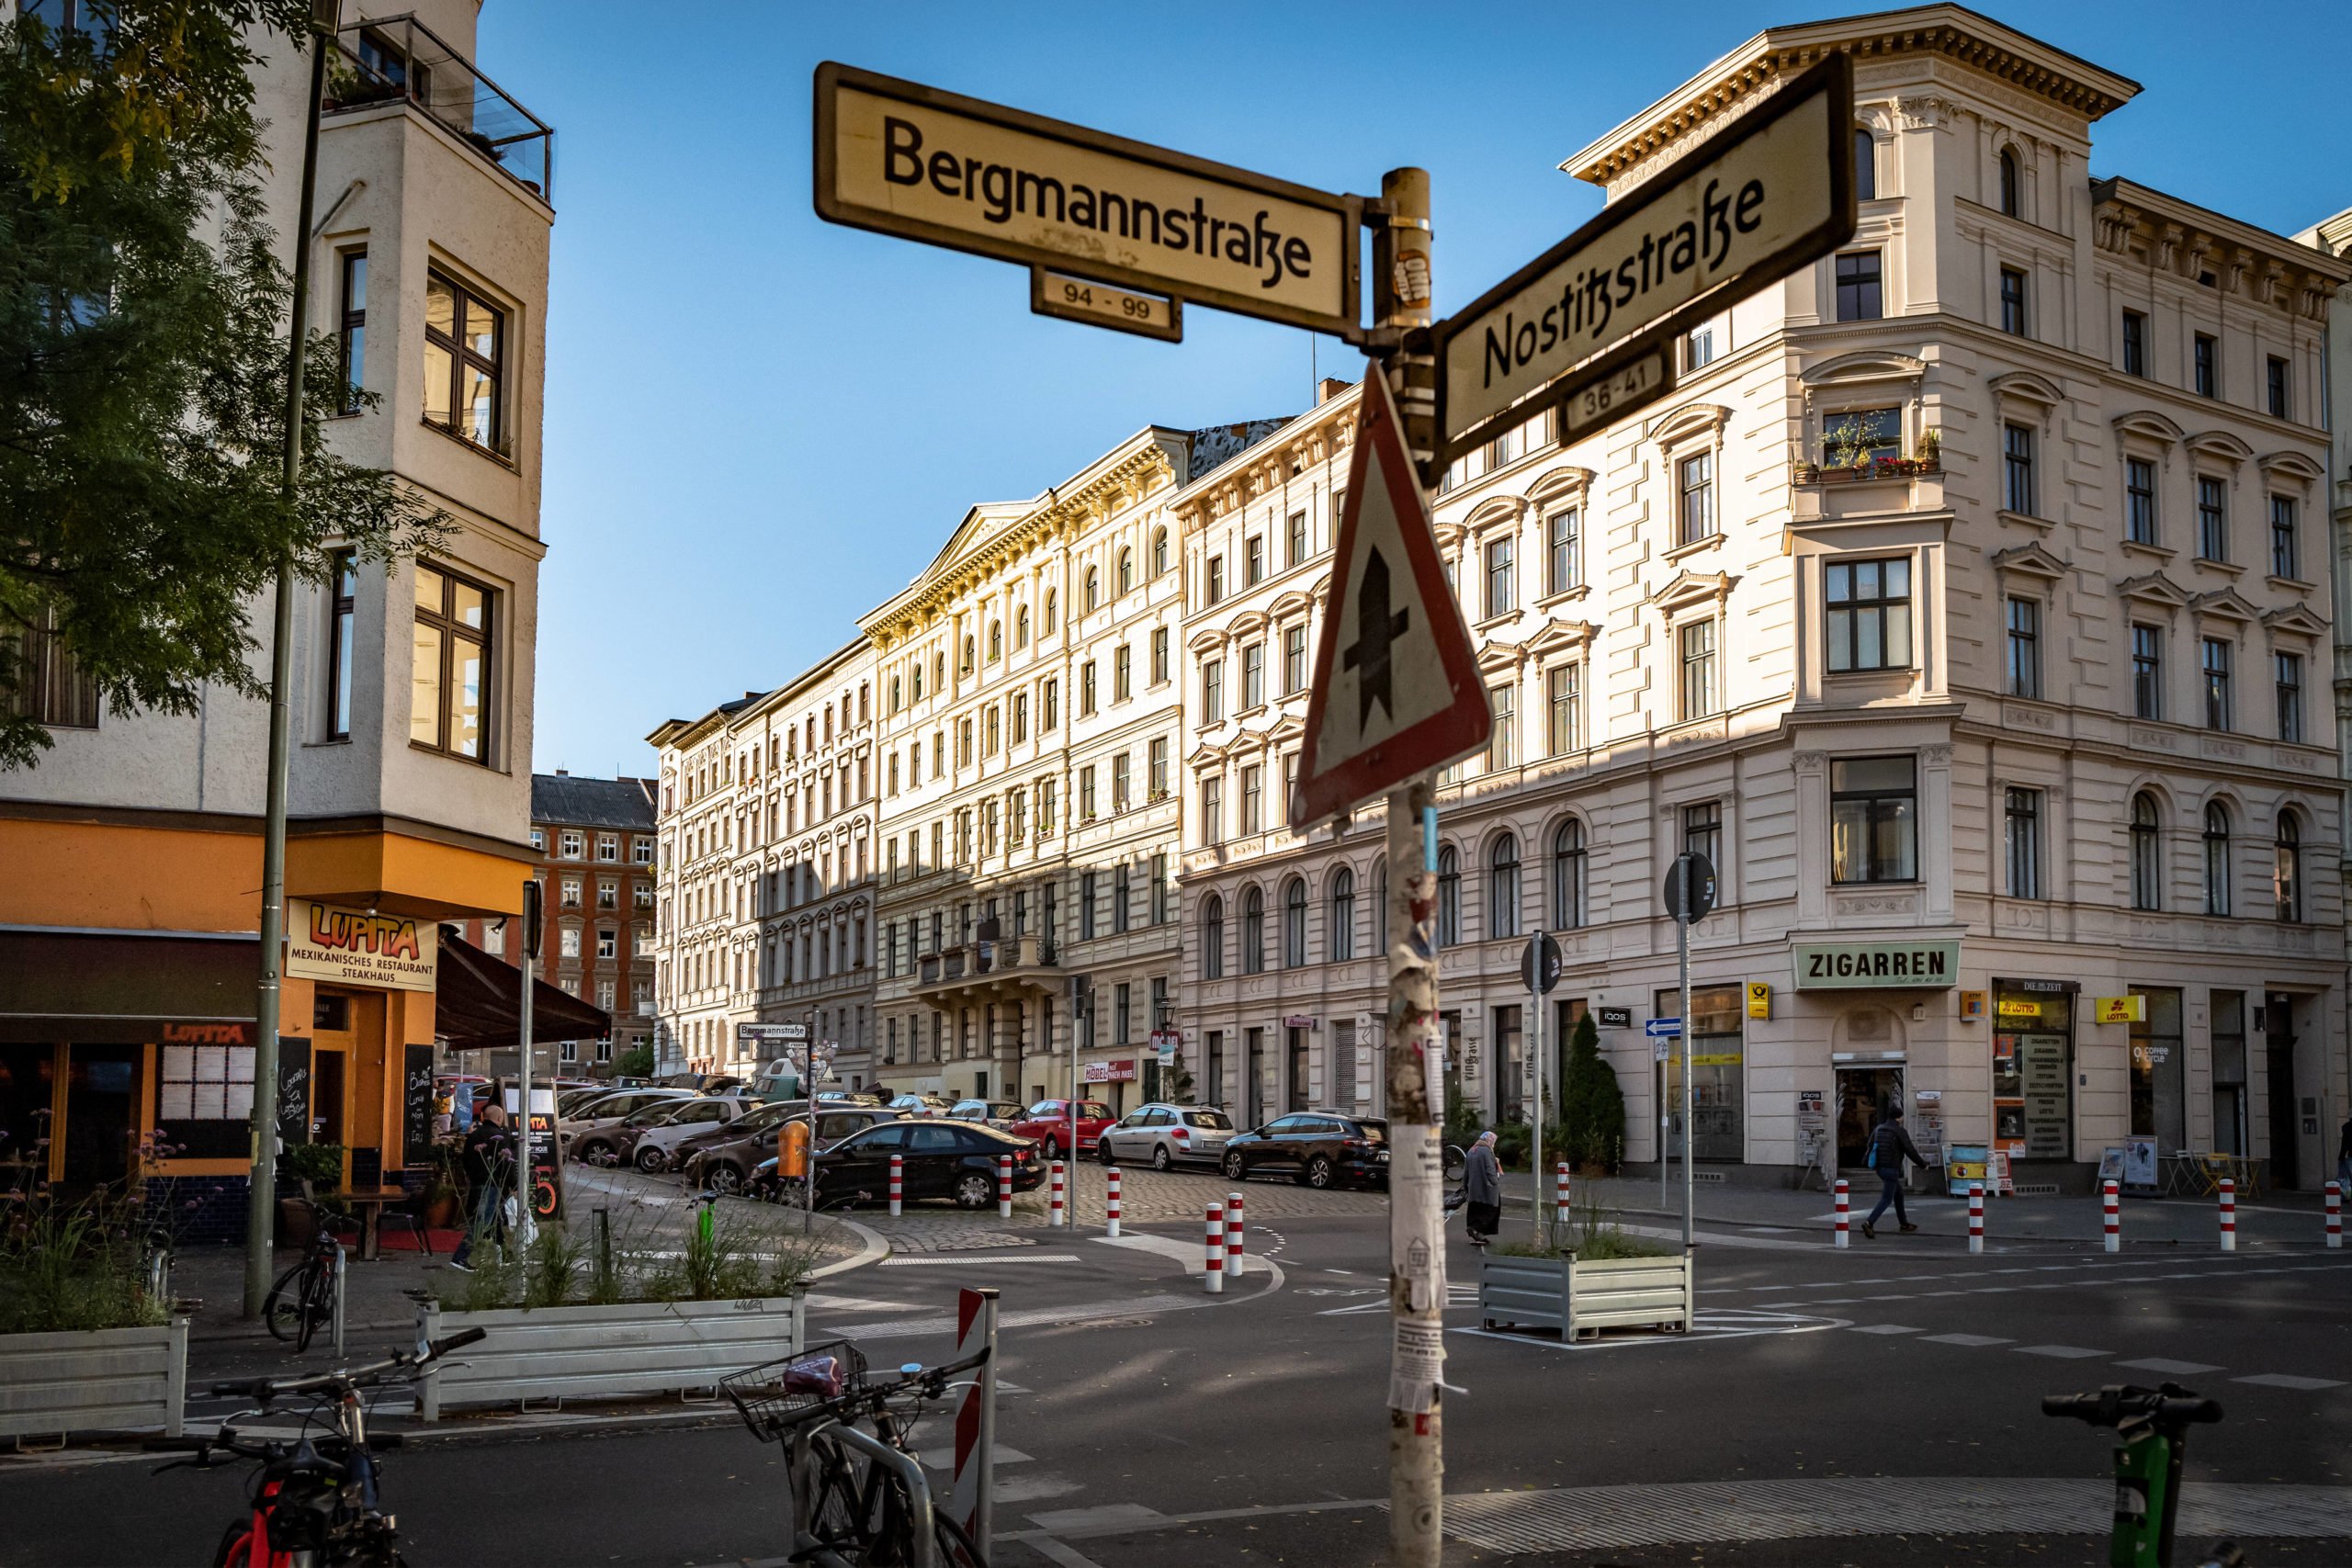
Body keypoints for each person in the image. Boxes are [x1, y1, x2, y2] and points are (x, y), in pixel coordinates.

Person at [449, 1101, 513, 1272]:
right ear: (499, 1118)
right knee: (482, 1221)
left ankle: (506, 1254)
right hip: (492, 1183)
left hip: (477, 1182)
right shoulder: (500, 1136)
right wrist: (513, 1185)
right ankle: (460, 1256)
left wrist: (472, 1177)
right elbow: (506, 1163)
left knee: (492, 1219)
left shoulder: (474, 1135)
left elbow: (466, 1159)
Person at [1861, 1104, 1928, 1239]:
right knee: (1886, 1199)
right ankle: (1869, 1223)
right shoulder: (1900, 1131)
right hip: (1891, 1169)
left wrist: (1865, 1161)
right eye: (1902, 1116)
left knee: (1899, 1194)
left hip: (1879, 1168)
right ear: (1899, 1117)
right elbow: (1910, 1151)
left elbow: (1870, 1146)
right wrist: (1923, 1164)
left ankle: (1904, 1223)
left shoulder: (1879, 1129)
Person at [1463, 1129, 1502, 1247]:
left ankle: (1479, 1234)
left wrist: (1465, 1186)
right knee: (1491, 1210)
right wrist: (1496, 1183)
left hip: (1474, 1189)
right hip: (1487, 1188)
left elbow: (1466, 1171)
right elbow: (1490, 1170)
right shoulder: (1486, 1151)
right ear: (1490, 1140)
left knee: (1476, 1211)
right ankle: (1475, 1228)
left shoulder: (1471, 1150)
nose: (1494, 1144)